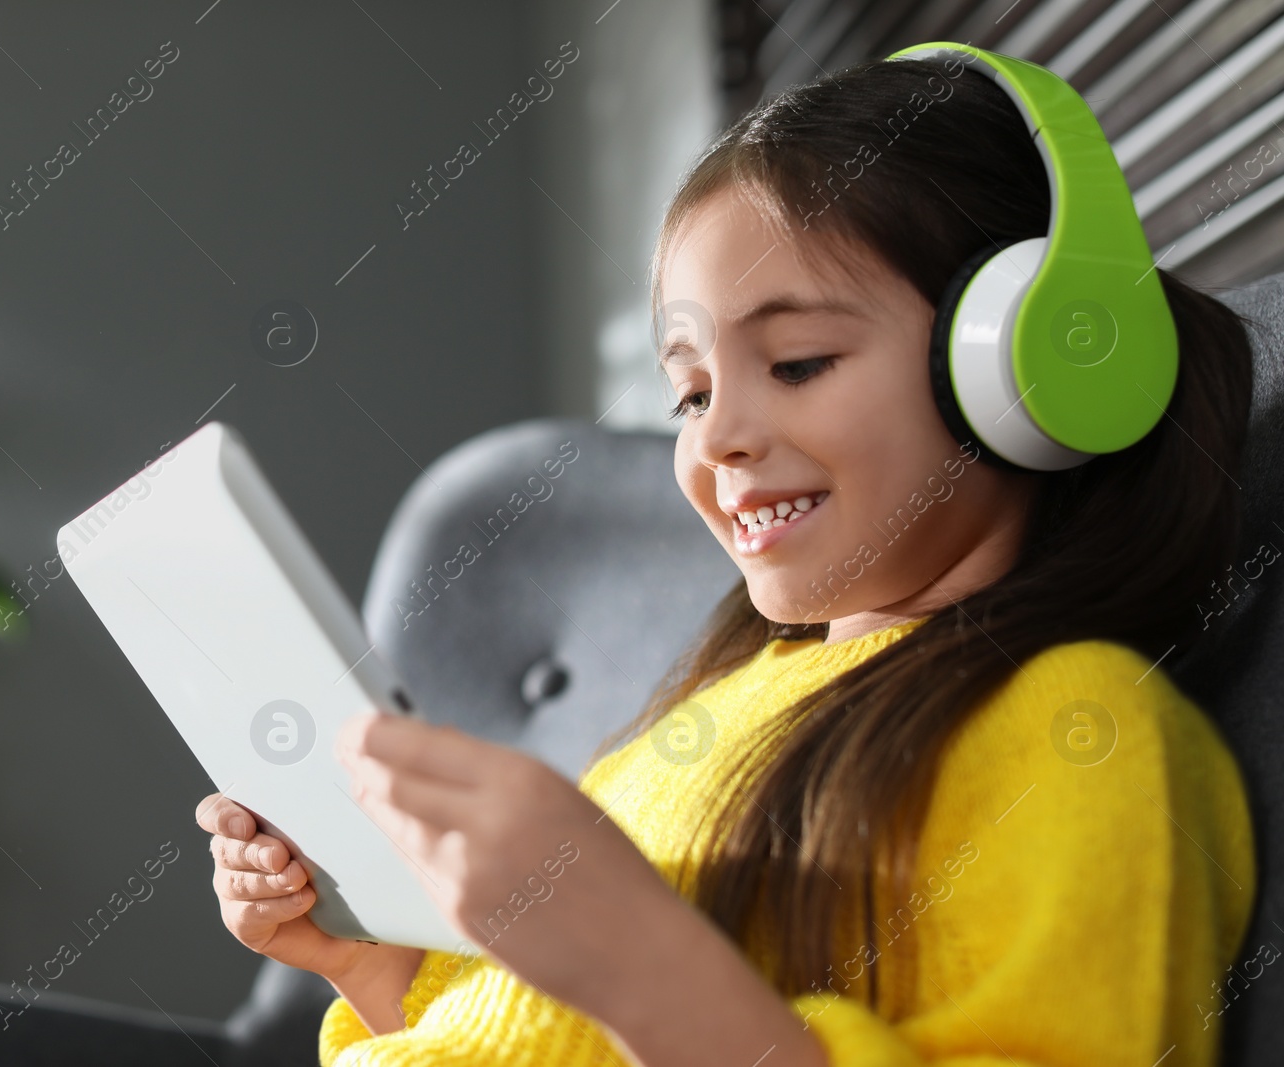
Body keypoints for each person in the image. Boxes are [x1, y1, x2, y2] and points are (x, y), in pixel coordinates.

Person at [198, 50, 1258, 1067]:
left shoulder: (1078, 730)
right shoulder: (719, 703)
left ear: (1027, 364)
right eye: (691, 391)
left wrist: (640, 962)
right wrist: (374, 967)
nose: (714, 438)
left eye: (796, 363)